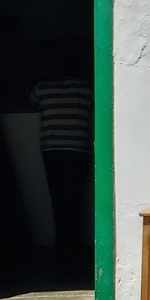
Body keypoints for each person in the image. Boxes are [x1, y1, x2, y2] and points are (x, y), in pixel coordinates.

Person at [29, 53, 95, 272]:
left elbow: (27, 103)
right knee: (75, 198)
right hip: (78, 148)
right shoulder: (87, 89)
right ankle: (73, 247)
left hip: (52, 149)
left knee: (57, 198)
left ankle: (62, 246)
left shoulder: (43, 88)